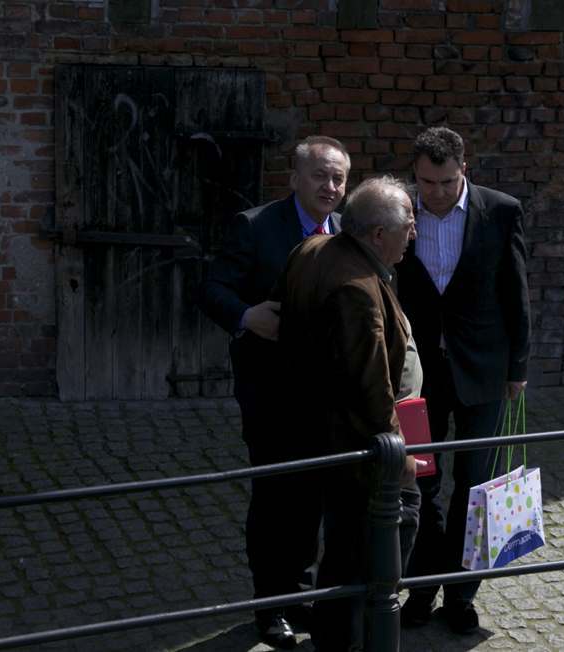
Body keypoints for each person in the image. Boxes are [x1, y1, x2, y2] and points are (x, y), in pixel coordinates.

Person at [197, 135, 351, 650]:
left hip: (327, 393)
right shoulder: (256, 226)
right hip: (270, 390)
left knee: (312, 495)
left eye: (339, 179)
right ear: (295, 178)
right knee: (275, 498)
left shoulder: (345, 231)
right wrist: (247, 316)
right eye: (320, 176)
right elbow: (211, 289)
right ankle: (270, 606)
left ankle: (299, 594)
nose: (330, 186)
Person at [272, 176, 419, 651]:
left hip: (314, 427)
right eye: (407, 225)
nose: (413, 233)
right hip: (356, 445)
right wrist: (399, 454)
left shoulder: (312, 249)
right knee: (370, 544)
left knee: (342, 545)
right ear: (378, 234)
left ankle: (337, 633)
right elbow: (370, 385)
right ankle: (354, 640)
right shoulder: (358, 287)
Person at [395, 126, 531, 634]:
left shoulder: (501, 211)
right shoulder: (397, 213)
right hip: (417, 378)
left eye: (447, 182)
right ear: (415, 175)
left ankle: (460, 594)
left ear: (464, 171)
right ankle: (420, 589)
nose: (436, 192)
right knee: (420, 484)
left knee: (474, 487)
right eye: (427, 182)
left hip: (484, 372)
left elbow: (516, 292)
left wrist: (518, 369)